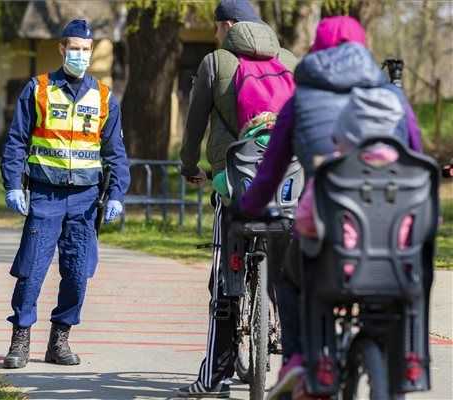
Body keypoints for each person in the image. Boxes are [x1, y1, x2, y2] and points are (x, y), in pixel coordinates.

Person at [239, 16, 423, 400]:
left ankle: (298, 359)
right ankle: (406, 353)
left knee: (289, 273)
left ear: (317, 51)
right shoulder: (393, 99)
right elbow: (416, 160)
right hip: (393, 243)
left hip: (329, 240)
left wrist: (249, 208)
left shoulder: (300, 100)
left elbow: (271, 172)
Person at [177, 0, 297, 397]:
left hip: (235, 187)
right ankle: (294, 361)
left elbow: (195, 123)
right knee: (290, 274)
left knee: (224, 283)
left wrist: (189, 164)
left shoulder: (216, 62)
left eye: (217, 27)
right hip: (285, 187)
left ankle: (216, 375)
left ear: (226, 25)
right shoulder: (290, 60)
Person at [0, 19, 130, 369]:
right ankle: (20, 340)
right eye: (74, 48)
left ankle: (60, 339)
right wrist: (13, 184)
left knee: (77, 272)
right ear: (61, 49)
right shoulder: (38, 89)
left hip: (86, 199)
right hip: (45, 194)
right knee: (32, 270)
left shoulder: (104, 97)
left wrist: (116, 192)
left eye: (86, 49)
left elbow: (115, 151)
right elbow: (16, 142)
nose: (80, 54)